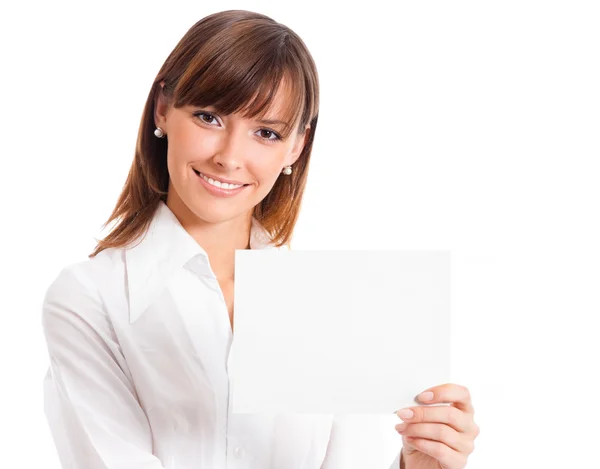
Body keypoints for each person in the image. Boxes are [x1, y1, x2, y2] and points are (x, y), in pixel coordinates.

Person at [41, 9, 479, 469]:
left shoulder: (328, 303)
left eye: (266, 133)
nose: (230, 157)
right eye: (209, 117)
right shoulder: (90, 299)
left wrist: (417, 463)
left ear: (297, 146)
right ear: (164, 109)